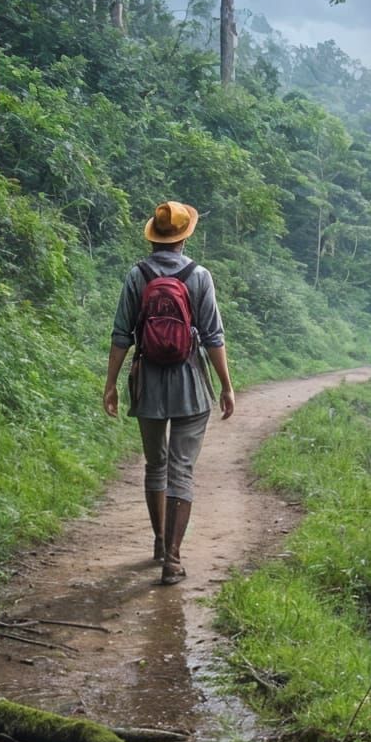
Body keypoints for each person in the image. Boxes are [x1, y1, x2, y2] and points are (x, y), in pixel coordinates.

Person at [102, 200, 235, 585]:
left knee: (155, 465)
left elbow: (121, 335)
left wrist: (110, 384)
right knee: (182, 470)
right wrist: (226, 386)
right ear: (184, 237)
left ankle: (160, 541)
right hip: (191, 383)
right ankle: (173, 560)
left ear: (155, 236)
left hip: (147, 384)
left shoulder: (137, 275)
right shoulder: (199, 276)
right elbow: (213, 337)